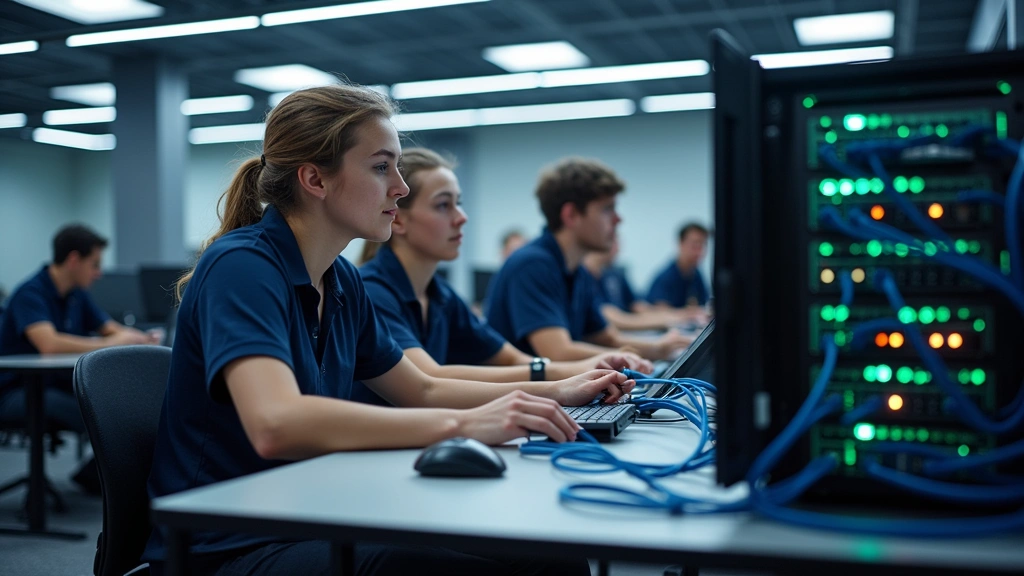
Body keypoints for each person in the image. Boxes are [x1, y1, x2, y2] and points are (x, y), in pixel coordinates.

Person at [143, 85, 631, 576]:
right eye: (381, 167)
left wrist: (558, 391)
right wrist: (463, 426)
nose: (400, 187)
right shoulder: (242, 266)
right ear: (314, 178)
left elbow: (422, 388)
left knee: (554, 559)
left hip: (308, 513)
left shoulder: (341, 279)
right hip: (226, 546)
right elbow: (275, 424)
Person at [355, 148, 651, 406]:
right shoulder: (372, 290)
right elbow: (428, 377)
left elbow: (510, 358)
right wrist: (560, 383)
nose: (461, 217)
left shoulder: (440, 294)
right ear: (399, 218)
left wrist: (583, 369)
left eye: (459, 203)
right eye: (444, 205)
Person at [0, 224, 161, 493]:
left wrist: (141, 339)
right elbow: (49, 345)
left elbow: (111, 329)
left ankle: (93, 476)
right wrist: (108, 343)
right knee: (106, 411)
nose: (99, 273)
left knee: (126, 403)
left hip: (54, 386)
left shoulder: (76, 295)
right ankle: (101, 480)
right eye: (94, 264)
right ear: (74, 260)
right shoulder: (30, 293)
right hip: (16, 392)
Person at [485, 157, 692, 362]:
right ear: (571, 215)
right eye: (607, 209)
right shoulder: (532, 265)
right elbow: (558, 353)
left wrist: (660, 348)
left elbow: (607, 338)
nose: (618, 219)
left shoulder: (577, 272)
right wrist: (628, 357)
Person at [581, 236, 693, 331]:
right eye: (613, 241)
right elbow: (609, 316)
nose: (618, 248)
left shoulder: (614, 272)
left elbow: (636, 305)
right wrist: (662, 321)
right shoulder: (585, 277)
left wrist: (674, 315)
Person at [647, 223, 711, 311]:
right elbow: (659, 311)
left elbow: (704, 304)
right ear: (681, 244)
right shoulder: (666, 277)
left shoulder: (696, 275)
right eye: (694, 245)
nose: (699, 251)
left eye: (703, 245)